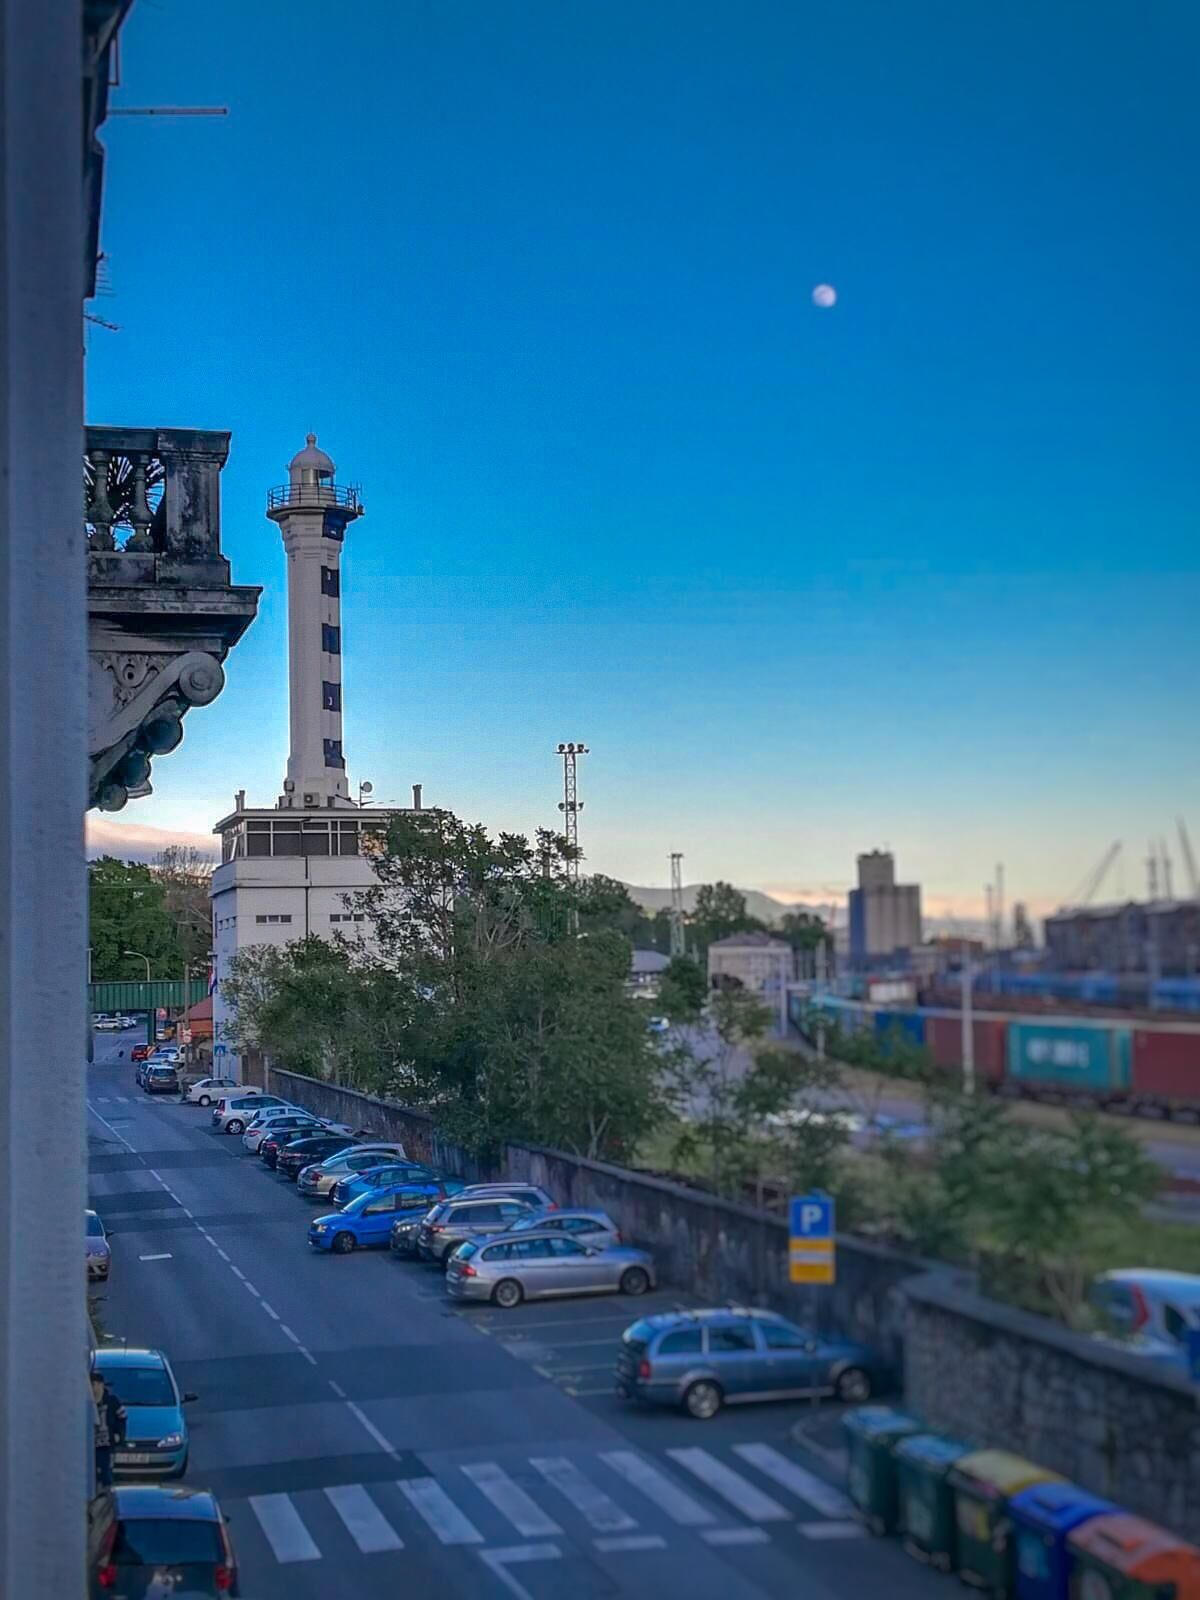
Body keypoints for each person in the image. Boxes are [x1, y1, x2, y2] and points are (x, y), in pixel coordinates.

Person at [91, 1374, 125, 1489]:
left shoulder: (112, 1401)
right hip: (91, 1445)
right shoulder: (87, 1402)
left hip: (106, 1445)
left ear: (101, 1385)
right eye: (92, 1385)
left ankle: (107, 1492)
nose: (94, 1388)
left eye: (96, 1384)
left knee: (106, 1472)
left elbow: (122, 1417)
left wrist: (119, 1435)